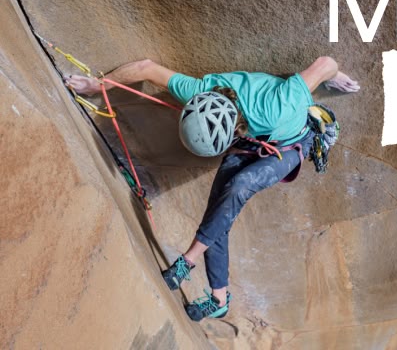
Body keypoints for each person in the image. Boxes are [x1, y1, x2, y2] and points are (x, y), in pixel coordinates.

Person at [66, 56, 359, 321]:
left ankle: (188, 260)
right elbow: (145, 67)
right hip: (248, 142)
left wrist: (334, 74)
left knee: (240, 185)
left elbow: (325, 63)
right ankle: (219, 300)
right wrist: (97, 84)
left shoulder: (279, 105)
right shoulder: (199, 92)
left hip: (288, 145)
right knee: (221, 210)